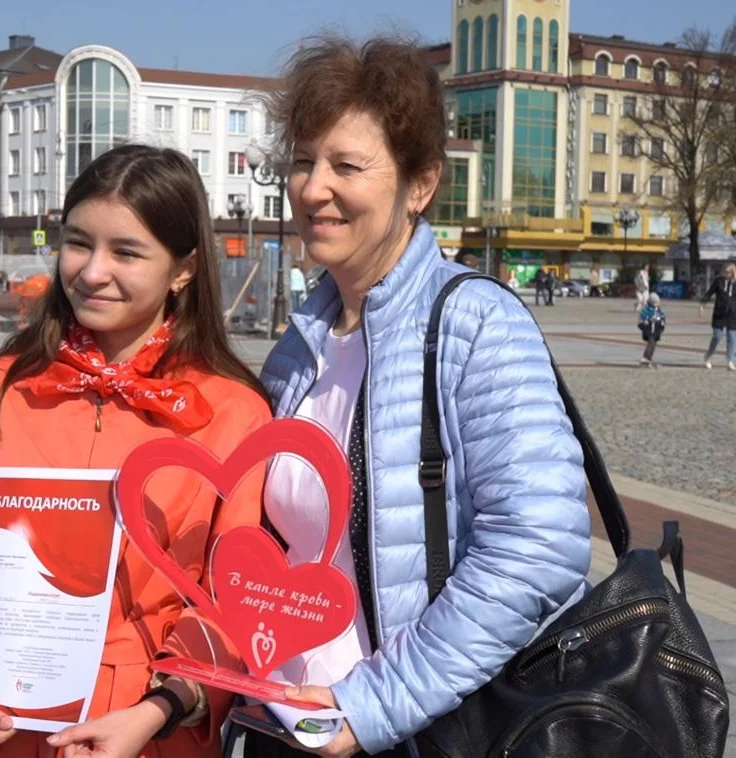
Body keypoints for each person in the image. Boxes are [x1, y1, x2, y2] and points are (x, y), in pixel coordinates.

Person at [253, 35, 590, 758]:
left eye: (346, 166)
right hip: (294, 722)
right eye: (304, 162)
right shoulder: (298, 346)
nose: (313, 188)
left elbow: (539, 549)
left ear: (420, 184)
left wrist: (372, 706)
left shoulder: (475, 324)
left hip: (414, 731)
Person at [0, 145, 272, 758]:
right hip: (1, 724)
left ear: (183, 269)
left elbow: (236, 596)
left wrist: (160, 709)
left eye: (126, 252)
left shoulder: (234, 413)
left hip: (146, 731)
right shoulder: (0, 390)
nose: (93, 272)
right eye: (78, 243)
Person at [700, 263, 736, 371]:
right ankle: (708, 356)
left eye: (728, 272)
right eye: (725, 272)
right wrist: (702, 305)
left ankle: (730, 361)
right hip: (719, 313)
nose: (726, 274)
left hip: (732, 314)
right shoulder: (718, 281)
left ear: (733, 273)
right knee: (717, 336)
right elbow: (709, 293)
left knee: (731, 337)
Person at [638, 292, 667, 368]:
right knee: (651, 343)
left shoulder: (659, 310)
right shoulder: (646, 309)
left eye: (657, 302)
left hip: (656, 331)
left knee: (653, 345)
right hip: (649, 331)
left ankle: (648, 359)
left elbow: (662, 317)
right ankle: (645, 358)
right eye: (655, 302)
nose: (657, 304)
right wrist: (645, 323)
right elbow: (641, 320)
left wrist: (662, 324)